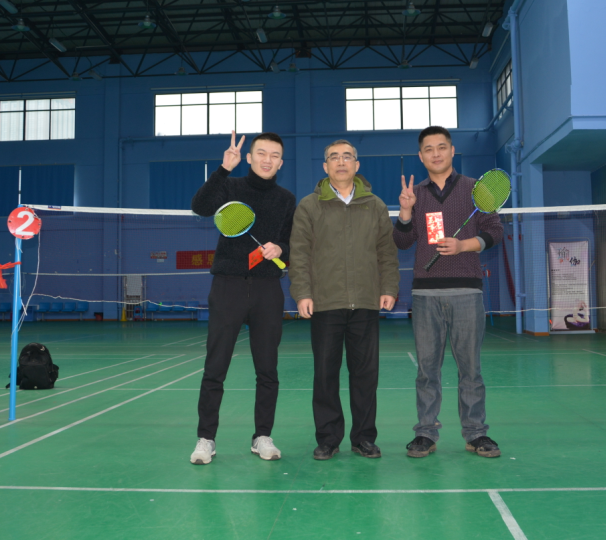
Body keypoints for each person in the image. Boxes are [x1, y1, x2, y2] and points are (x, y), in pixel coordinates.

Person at [393, 126, 504, 459]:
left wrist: (462, 245)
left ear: (452, 151)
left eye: (442, 147)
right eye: (429, 149)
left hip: (466, 291)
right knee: (427, 370)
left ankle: (476, 433)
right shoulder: (415, 194)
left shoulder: (476, 189)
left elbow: (495, 232)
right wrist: (406, 211)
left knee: (470, 369)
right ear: (421, 156)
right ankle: (425, 433)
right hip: (425, 296)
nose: (436, 153)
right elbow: (402, 242)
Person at [289, 139, 400, 460]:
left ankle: (364, 438)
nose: (341, 162)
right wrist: (302, 293)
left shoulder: (375, 205)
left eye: (347, 157)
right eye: (334, 157)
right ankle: (328, 438)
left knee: (365, 376)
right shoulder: (309, 206)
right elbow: (299, 253)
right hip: (325, 303)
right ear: (325, 166)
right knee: (325, 375)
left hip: (366, 301)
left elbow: (386, 251)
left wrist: (389, 287)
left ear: (356, 165)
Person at [190, 131, 296, 465]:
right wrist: (223, 169)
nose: (267, 160)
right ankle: (206, 438)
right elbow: (199, 207)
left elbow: (292, 242)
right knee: (215, 367)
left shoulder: (286, 199)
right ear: (249, 158)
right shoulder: (231, 187)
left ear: (281, 162)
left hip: (267, 289)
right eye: (261, 153)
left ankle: (262, 436)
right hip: (228, 286)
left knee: (267, 369)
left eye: (274, 155)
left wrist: (281, 249)